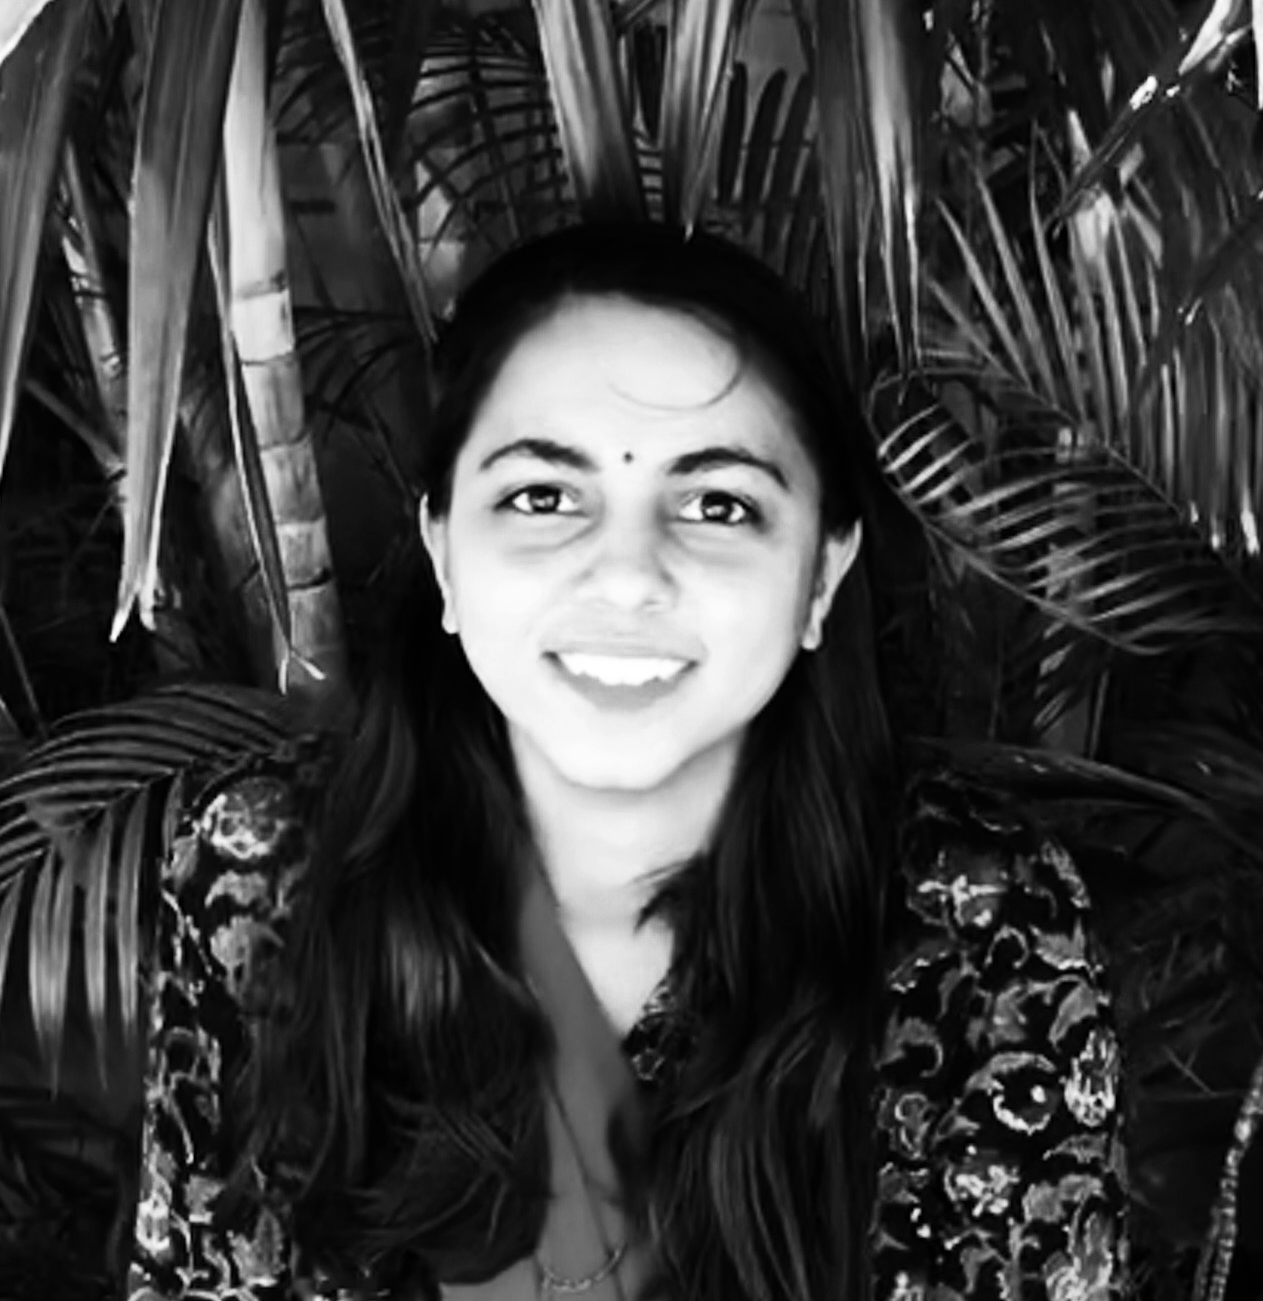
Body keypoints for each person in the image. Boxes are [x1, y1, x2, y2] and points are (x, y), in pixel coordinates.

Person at [127, 222, 1128, 1301]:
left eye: (718, 505)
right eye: (542, 497)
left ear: (822, 576)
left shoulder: (976, 919)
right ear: (444, 551)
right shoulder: (271, 863)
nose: (626, 576)